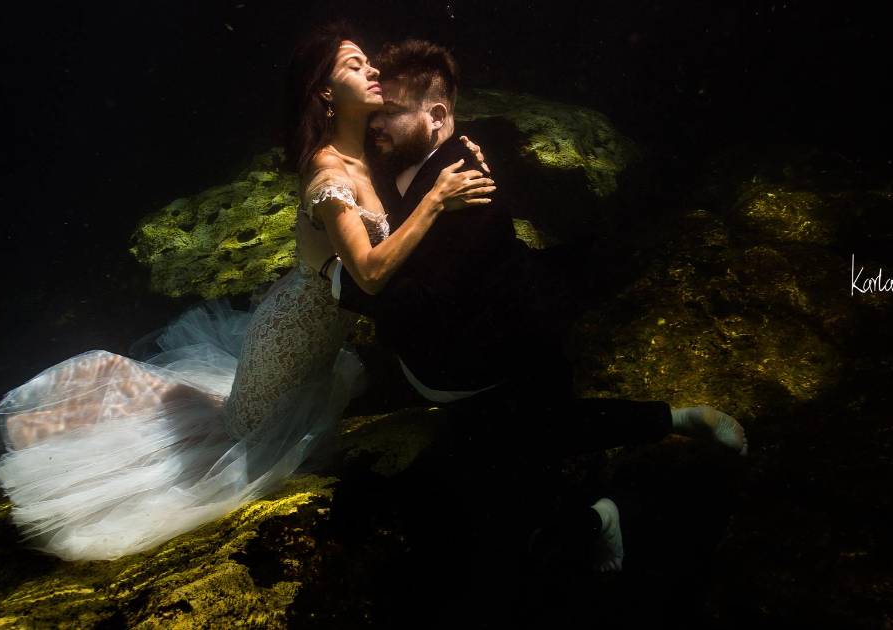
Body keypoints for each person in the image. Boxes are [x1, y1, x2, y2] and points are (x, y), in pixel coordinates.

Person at [0, 22, 493, 561]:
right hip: (286, 344)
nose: (374, 70)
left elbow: (414, 154)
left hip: (310, 339)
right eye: (355, 66)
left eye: (368, 61)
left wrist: (453, 146)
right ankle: (51, 435)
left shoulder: (365, 156)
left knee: (230, 424)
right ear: (325, 93)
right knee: (236, 438)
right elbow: (370, 274)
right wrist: (436, 200)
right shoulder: (328, 173)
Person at [315, 39, 750, 574]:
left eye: (391, 113)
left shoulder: (471, 191)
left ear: (437, 117)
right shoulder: (399, 157)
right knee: (520, 460)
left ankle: (647, 462)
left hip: (487, 357)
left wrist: (339, 279)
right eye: (375, 111)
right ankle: (623, 485)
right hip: (480, 334)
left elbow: (415, 302)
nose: (375, 124)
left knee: (512, 478)